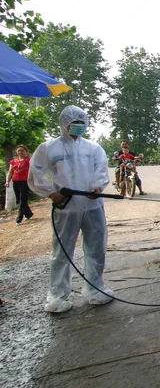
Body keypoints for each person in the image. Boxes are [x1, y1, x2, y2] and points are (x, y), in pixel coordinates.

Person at [28, 105, 115, 313]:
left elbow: (101, 170)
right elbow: (35, 173)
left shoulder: (93, 148)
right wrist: (50, 192)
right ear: (63, 125)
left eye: (80, 124)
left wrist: (97, 186)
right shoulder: (49, 148)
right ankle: (58, 295)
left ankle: (95, 289)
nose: (77, 127)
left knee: (96, 248)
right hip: (65, 207)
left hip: (92, 205)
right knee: (62, 252)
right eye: (73, 124)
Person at [5, 144, 34, 224]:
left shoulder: (29, 160)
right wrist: (7, 181)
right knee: (19, 200)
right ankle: (29, 214)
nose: (20, 152)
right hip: (16, 182)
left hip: (25, 182)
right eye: (19, 151)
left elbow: (33, 171)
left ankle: (19, 218)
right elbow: (10, 172)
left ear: (26, 152)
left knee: (23, 199)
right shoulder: (13, 161)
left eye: (22, 150)